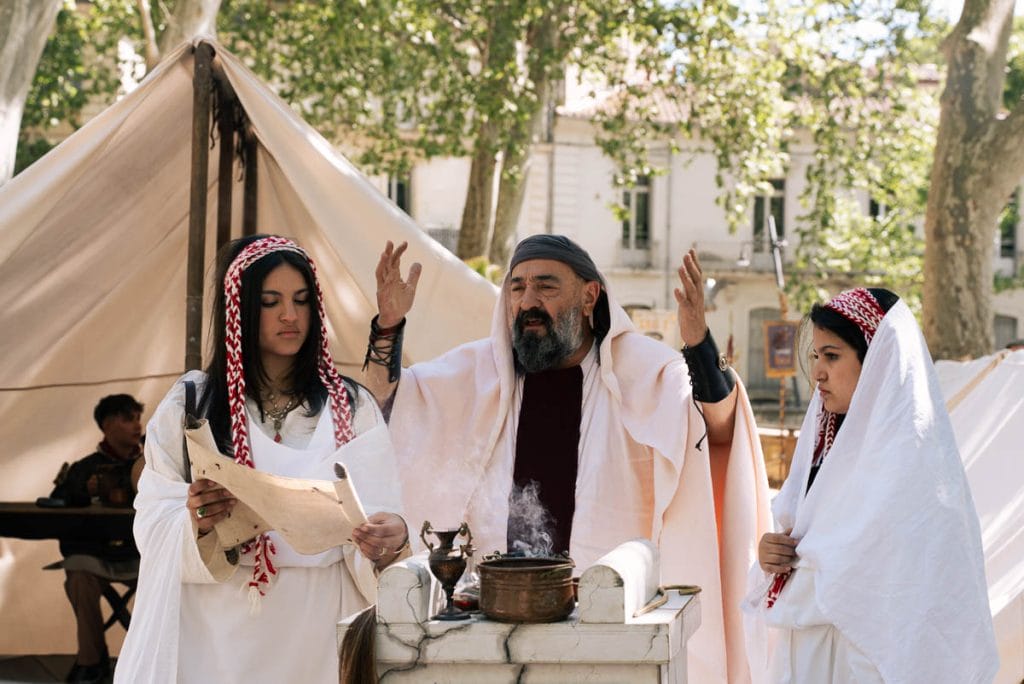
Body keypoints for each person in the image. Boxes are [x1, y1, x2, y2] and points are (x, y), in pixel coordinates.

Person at [363, 234, 772, 683]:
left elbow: (717, 425)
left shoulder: (644, 372)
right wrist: (388, 325)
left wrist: (699, 346)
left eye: (546, 287)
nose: (528, 301)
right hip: (493, 629)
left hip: (610, 633)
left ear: (589, 295)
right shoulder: (477, 373)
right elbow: (388, 404)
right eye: (517, 288)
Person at [114, 235, 409, 683]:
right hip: (214, 631)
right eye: (270, 302)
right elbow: (152, 519)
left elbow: (386, 518)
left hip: (317, 628)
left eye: (301, 300)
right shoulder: (193, 402)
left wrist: (392, 536)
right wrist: (198, 521)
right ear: (240, 309)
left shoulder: (351, 407)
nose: (289, 315)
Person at [743, 288, 998, 683]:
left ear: (876, 361)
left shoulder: (913, 465)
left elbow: (888, 583)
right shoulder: (824, 446)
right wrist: (770, 554)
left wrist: (803, 564)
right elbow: (806, 541)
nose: (818, 373)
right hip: (809, 658)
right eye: (815, 356)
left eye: (832, 356)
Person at [51, 394, 144, 684]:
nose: (137, 425)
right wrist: (83, 492)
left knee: (175, 581)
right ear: (107, 426)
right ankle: (92, 663)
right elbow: (56, 504)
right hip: (95, 557)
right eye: (128, 418)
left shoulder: (153, 463)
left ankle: (149, 659)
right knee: (78, 576)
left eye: (137, 418)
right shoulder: (85, 467)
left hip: (141, 557)